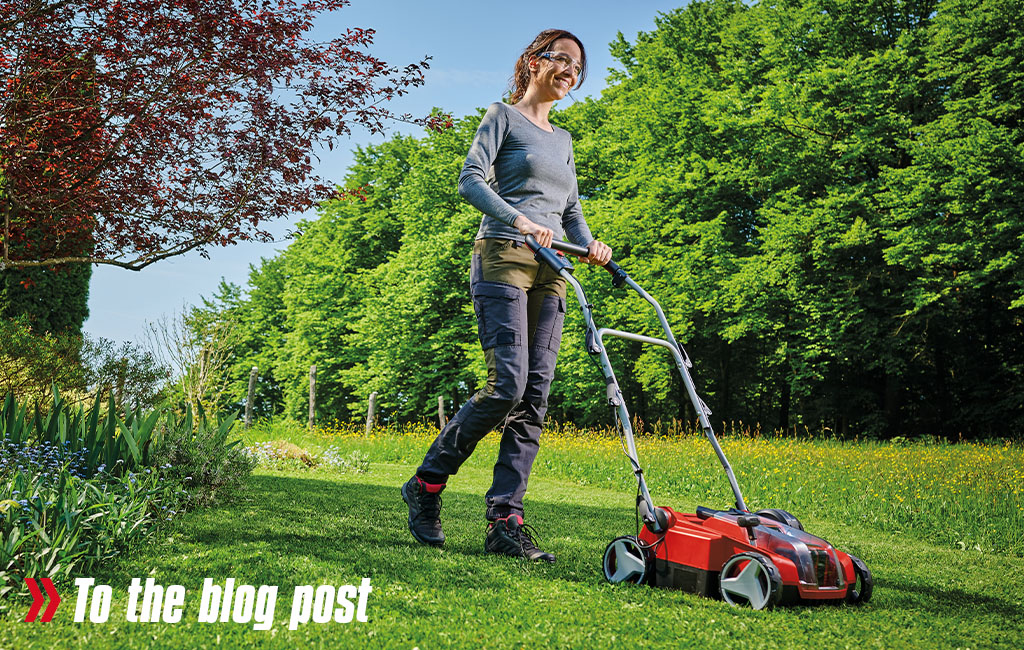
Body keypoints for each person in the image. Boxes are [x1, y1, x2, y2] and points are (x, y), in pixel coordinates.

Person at [402, 29, 612, 563]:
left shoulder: (562, 140)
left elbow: (570, 212)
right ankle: (427, 483)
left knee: (535, 397)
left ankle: (506, 521)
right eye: (562, 60)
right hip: (503, 254)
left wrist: (591, 246)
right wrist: (519, 220)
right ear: (533, 62)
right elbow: (470, 181)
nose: (570, 71)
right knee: (507, 385)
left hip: (553, 268)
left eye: (577, 67)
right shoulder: (502, 116)